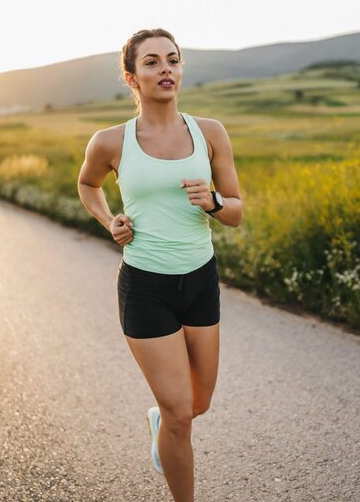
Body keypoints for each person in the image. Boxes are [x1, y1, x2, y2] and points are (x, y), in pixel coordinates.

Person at [77, 28, 243, 502]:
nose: (165, 69)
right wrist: (111, 220)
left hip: (200, 280)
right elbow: (88, 186)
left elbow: (236, 212)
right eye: (152, 62)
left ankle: (161, 421)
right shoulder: (111, 141)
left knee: (197, 404)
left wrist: (212, 201)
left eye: (173, 60)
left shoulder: (210, 133)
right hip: (145, 286)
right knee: (180, 414)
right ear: (132, 77)